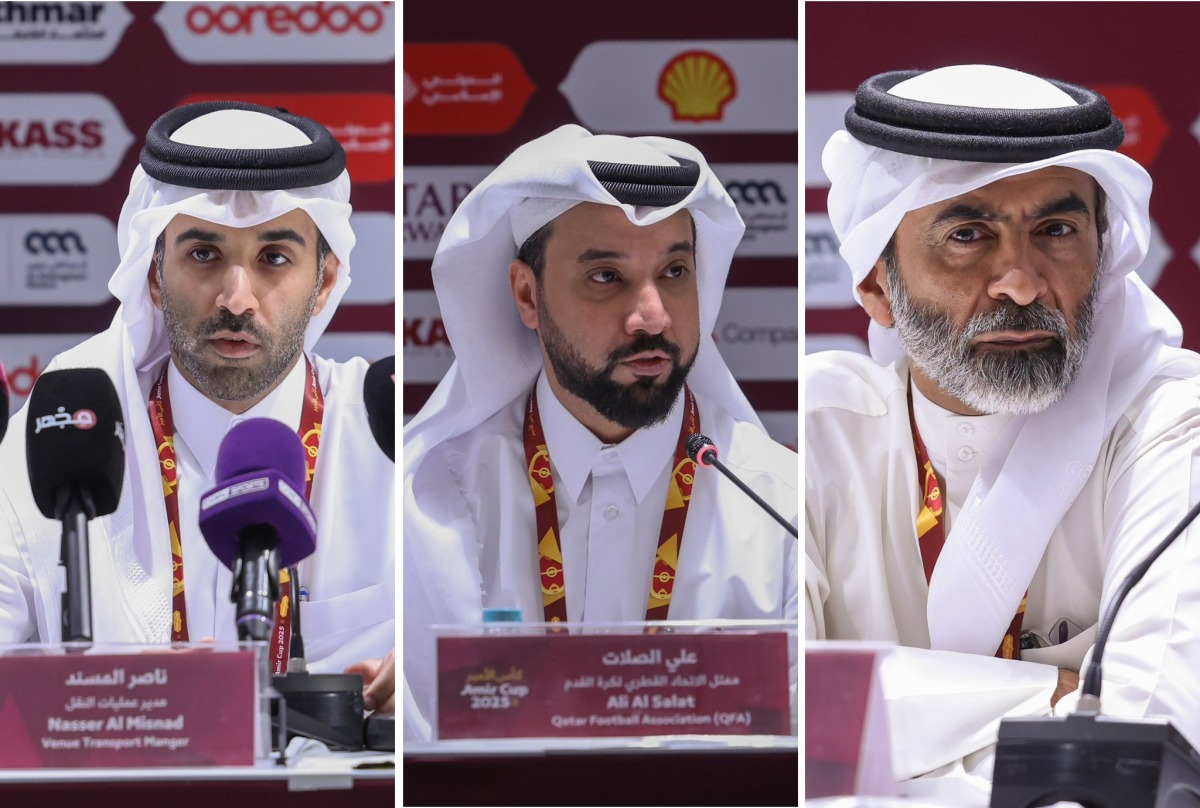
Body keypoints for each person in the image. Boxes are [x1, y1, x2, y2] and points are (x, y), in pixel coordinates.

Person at [807, 64, 1200, 789]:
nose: (1020, 281)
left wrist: (876, 731)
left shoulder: (1177, 433)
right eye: (967, 233)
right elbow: (778, 715)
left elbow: (1149, 757)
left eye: (1056, 230)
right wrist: (1051, 697)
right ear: (873, 282)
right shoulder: (822, 434)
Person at [403, 125, 798, 741]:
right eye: (606, 277)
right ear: (527, 295)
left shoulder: (780, 505)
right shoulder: (428, 504)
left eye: (674, 271)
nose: (653, 316)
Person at [0, 102, 395, 712]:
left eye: (275, 258)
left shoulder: (383, 435)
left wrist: (423, 680)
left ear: (324, 283)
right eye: (204, 255)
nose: (236, 300)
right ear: (155, 278)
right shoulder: (64, 437)